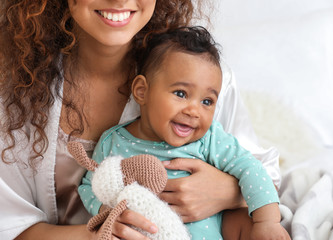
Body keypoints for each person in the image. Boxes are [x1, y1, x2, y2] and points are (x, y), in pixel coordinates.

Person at [0, 0, 282, 239]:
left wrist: (226, 191)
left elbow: (263, 171)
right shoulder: (16, 92)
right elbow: (11, 225)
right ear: (141, 90)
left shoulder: (201, 78)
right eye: (180, 94)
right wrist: (105, 229)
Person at [79, 26, 290, 240]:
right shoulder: (113, 142)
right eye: (181, 94)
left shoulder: (209, 139)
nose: (194, 111)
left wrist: (267, 222)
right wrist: (106, 212)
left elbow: (252, 169)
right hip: (149, 232)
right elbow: (89, 186)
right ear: (142, 91)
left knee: (245, 221)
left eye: (207, 101)